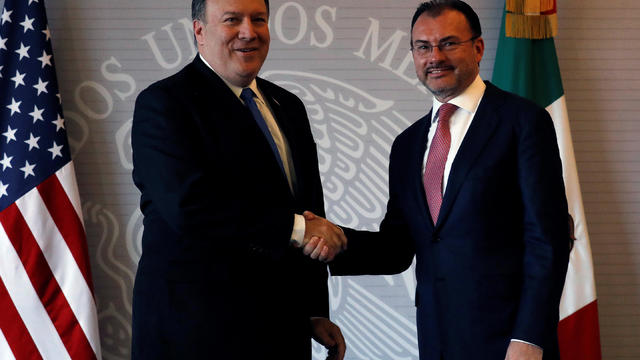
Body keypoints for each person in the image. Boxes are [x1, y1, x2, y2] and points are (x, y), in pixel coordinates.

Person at [307, 1, 571, 359]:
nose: (435, 57)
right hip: (437, 340)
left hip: (511, 342)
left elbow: (547, 241)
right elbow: (397, 247)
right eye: (423, 47)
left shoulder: (523, 123)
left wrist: (529, 337)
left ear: (478, 48)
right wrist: (335, 241)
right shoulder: (407, 144)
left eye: (449, 43)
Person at [130, 0, 347, 358]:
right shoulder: (165, 103)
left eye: (258, 19)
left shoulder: (288, 105)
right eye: (232, 20)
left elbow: (309, 207)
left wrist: (312, 309)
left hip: (280, 330)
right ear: (199, 31)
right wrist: (297, 230)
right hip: (198, 335)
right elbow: (190, 208)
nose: (249, 32)